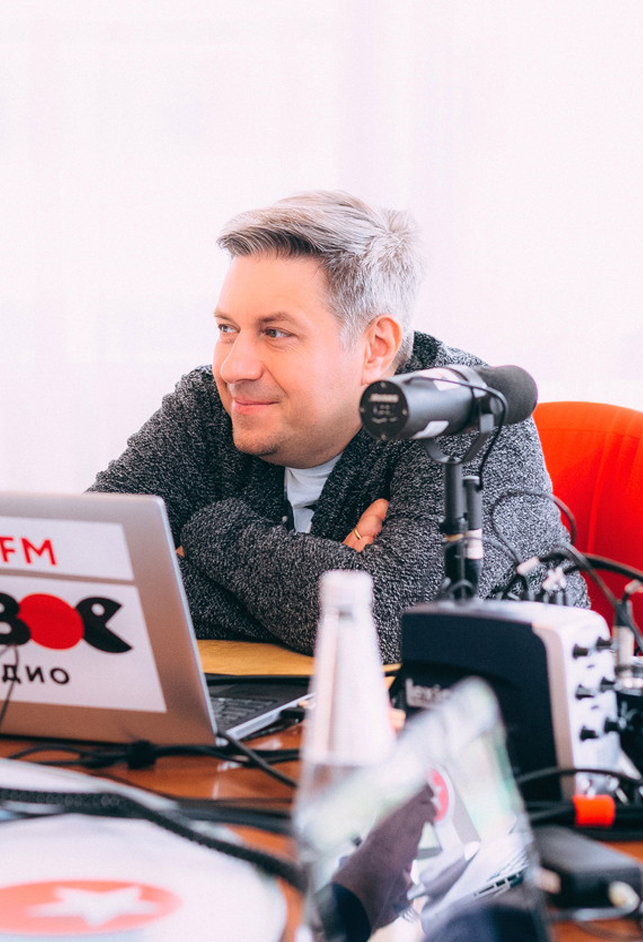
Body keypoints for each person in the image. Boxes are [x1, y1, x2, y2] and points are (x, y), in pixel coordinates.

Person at [89, 191, 582, 661]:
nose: (234, 367)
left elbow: (393, 623)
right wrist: (328, 585)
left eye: (275, 332)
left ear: (376, 347)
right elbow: (82, 567)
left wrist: (211, 532)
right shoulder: (209, 404)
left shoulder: (462, 411)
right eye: (227, 329)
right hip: (270, 712)